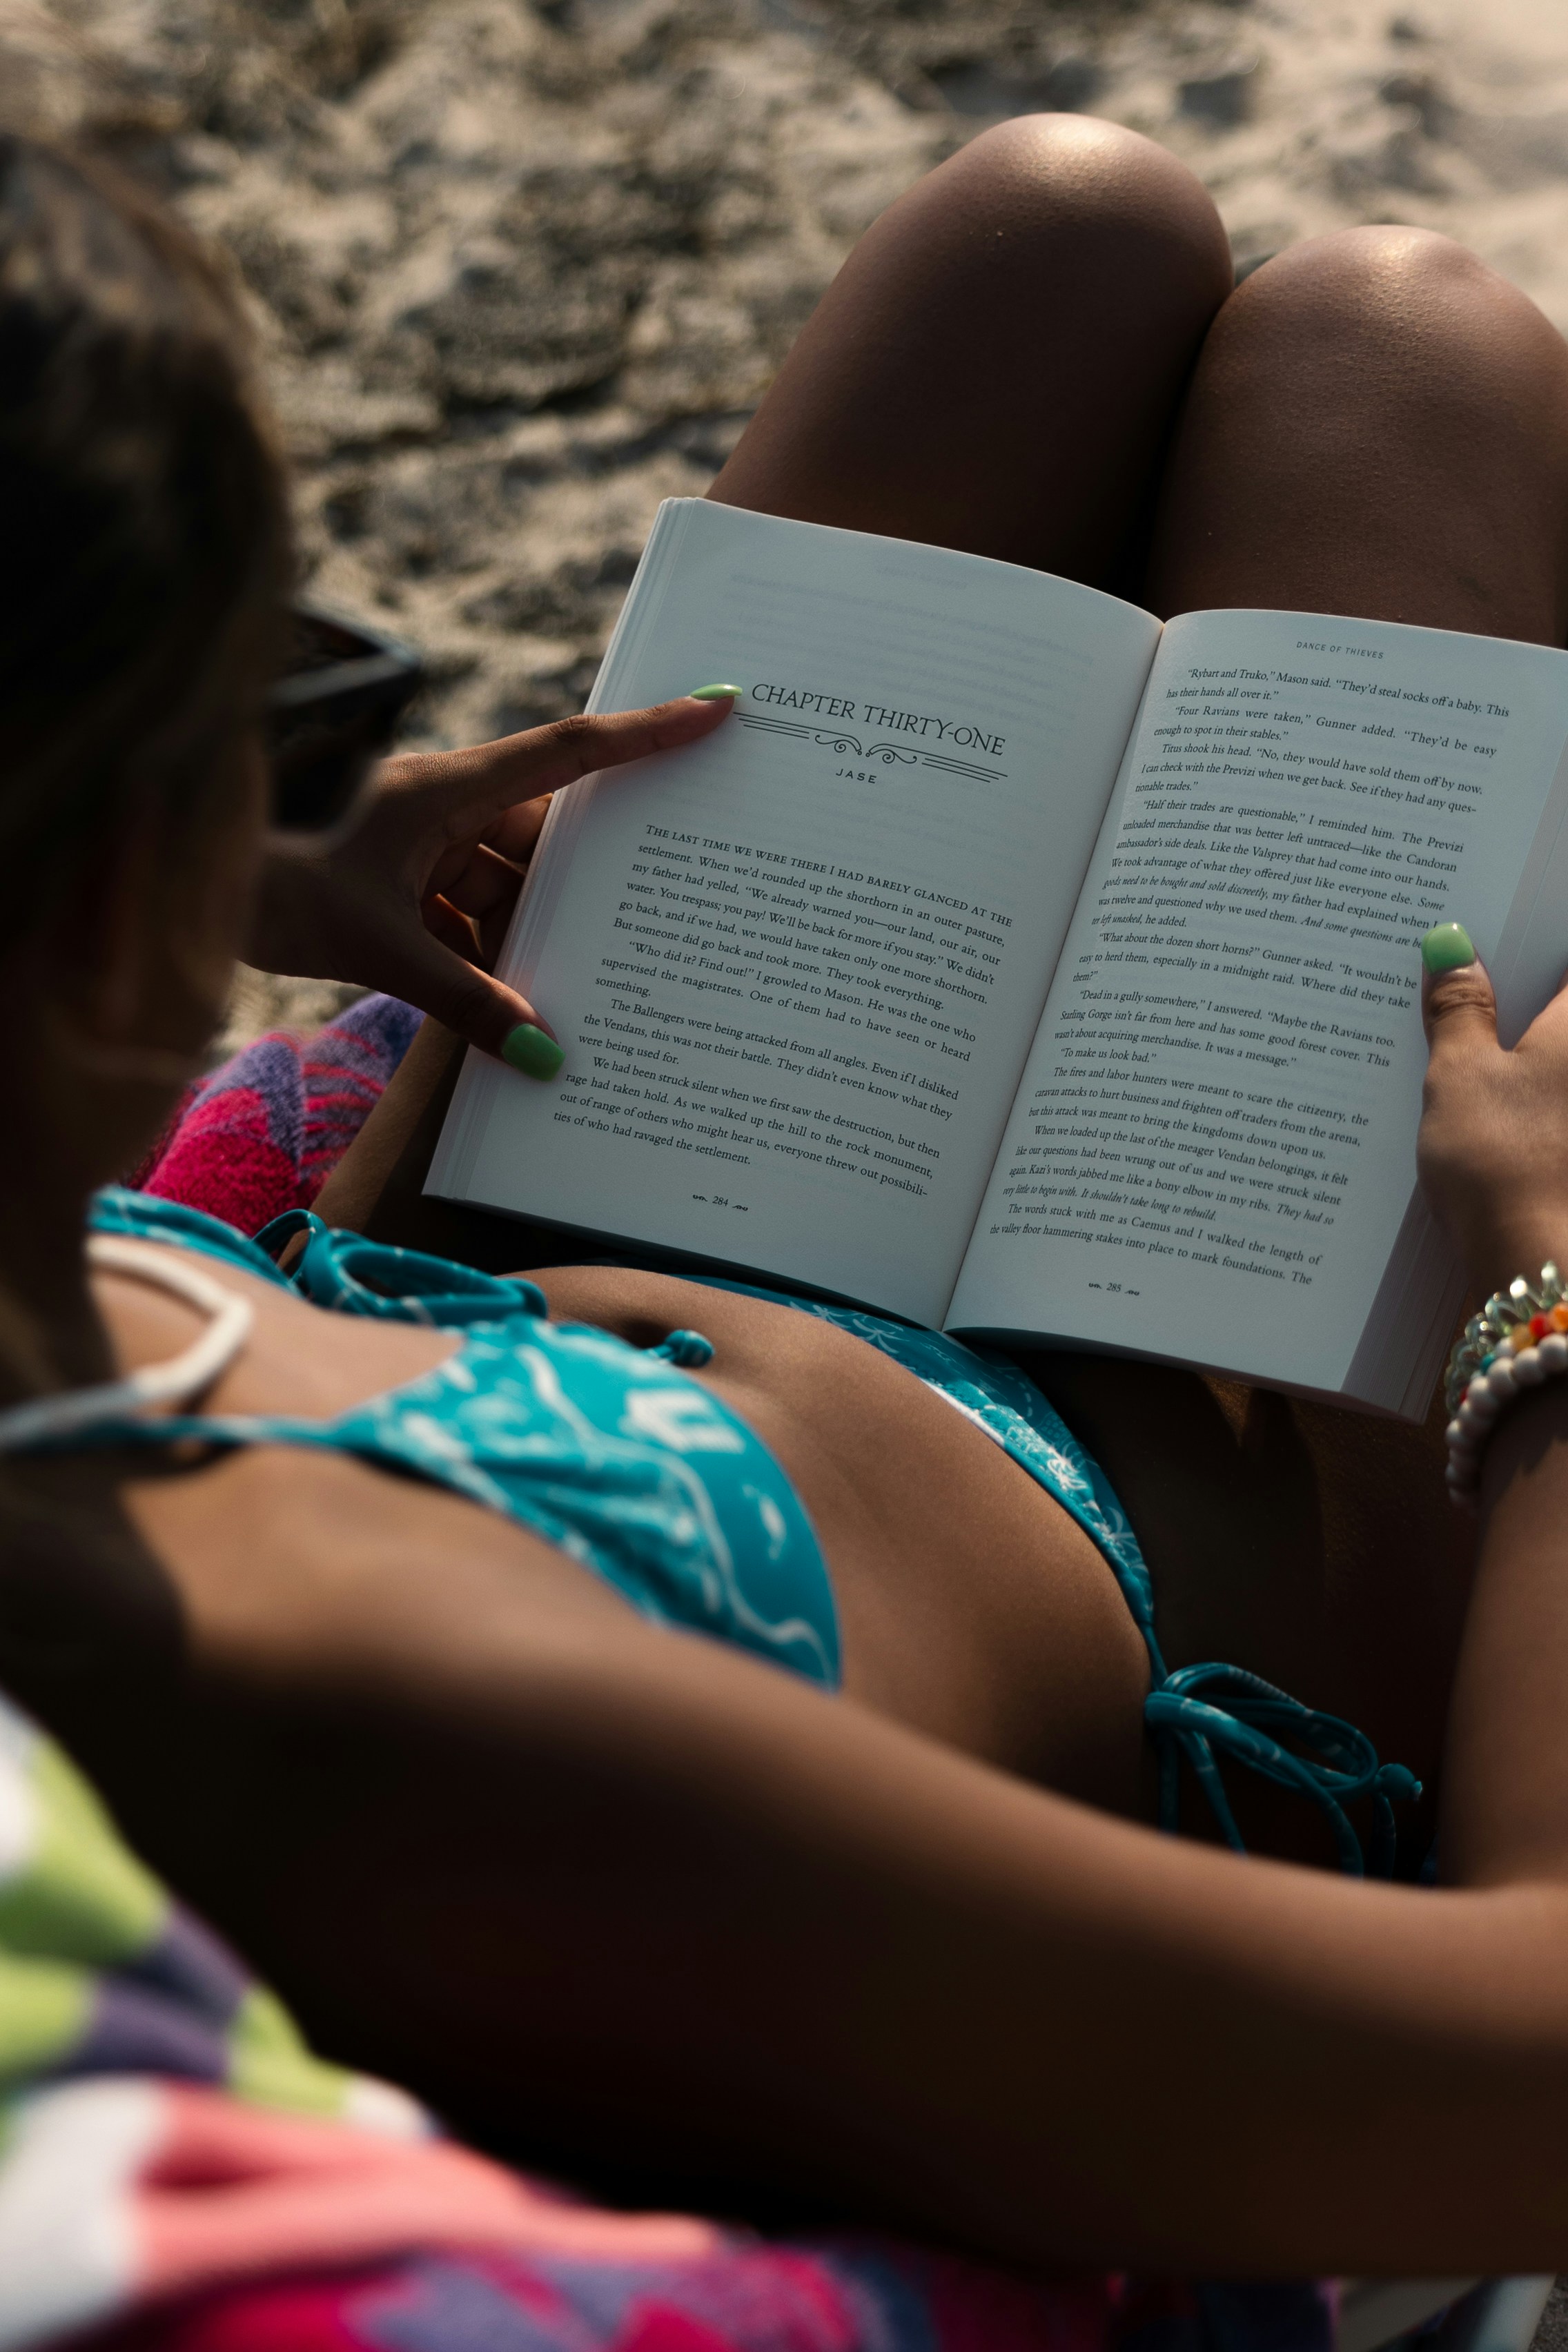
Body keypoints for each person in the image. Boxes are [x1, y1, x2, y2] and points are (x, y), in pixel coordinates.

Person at [4, 114, 1568, 2282]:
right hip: (1158, 1584)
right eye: (283, 713)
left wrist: (257, 867)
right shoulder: (390, 1706)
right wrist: (1553, 1309)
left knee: (1053, 231)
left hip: (493, 1259)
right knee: (1411, 348)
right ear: (98, 906)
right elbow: (1512, 2099)